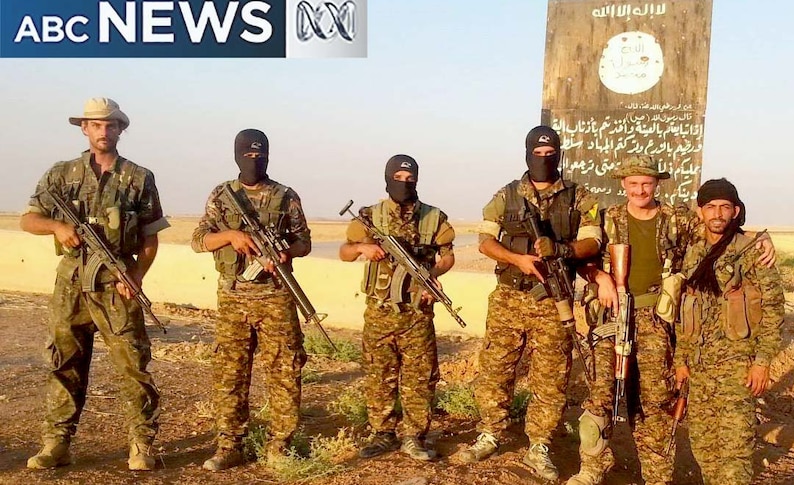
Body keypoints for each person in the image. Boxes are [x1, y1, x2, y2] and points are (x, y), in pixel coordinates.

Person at [569, 157, 776, 485]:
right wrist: (599, 277)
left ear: (656, 185)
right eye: (633, 183)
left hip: (656, 321)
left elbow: (720, 230)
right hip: (611, 317)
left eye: (646, 184)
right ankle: (591, 469)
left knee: (656, 401)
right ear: (623, 185)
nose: (640, 190)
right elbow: (580, 256)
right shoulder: (606, 219)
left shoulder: (677, 219)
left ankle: (657, 477)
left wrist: (759, 239)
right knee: (600, 395)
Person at [22, 98, 168, 471]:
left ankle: (141, 444)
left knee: (133, 365)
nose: (104, 132)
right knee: (65, 363)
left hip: (117, 282)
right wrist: (57, 226)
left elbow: (150, 237)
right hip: (71, 283)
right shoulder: (61, 174)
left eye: (111, 125)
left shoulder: (138, 177)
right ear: (84, 129)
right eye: (96, 125)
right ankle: (57, 443)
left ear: (120, 130)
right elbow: (29, 219)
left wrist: (135, 277)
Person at [455, 126, 602, 481]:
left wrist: (562, 250)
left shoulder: (579, 196)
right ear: (527, 153)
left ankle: (540, 445)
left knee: (551, 376)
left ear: (559, 154)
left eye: (550, 153)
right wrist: (516, 259)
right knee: (496, 368)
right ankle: (491, 432)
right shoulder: (506, 195)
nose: (544, 159)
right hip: (509, 296)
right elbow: (485, 240)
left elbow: (593, 241)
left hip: (553, 299)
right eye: (538, 153)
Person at [191, 129, 311, 471]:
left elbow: (305, 242)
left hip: (276, 296)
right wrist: (231, 236)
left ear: (268, 157)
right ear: (237, 156)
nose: (254, 161)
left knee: (285, 371)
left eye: (260, 156)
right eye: (248, 155)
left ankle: (280, 445)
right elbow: (199, 240)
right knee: (230, 373)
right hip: (233, 297)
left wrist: (285, 251)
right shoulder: (222, 195)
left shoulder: (285, 196)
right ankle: (230, 445)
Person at [339, 154, 455, 461]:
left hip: (417, 313)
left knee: (419, 376)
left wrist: (433, 276)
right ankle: (382, 433)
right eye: (399, 177)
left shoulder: (433, 218)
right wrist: (364, 247)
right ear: (388, 178)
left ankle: (414, 436)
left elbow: (447, 257)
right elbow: (345, 252)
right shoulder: (370, 216)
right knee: (379, 374)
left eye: (410, 178)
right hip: (379, 311)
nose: (404, 183)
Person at [673, 178, 784, 485]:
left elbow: (774, 311)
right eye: (710, 207)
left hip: (738, 371)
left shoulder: (753, 252)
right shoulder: (693, 253)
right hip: (699, 372)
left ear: (736, 211)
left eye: (724, 207)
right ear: (700, 212)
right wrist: (681, 359)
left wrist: (762, 361)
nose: (717, 213)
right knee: (705, 452)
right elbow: (684, 312)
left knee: (735, 456)